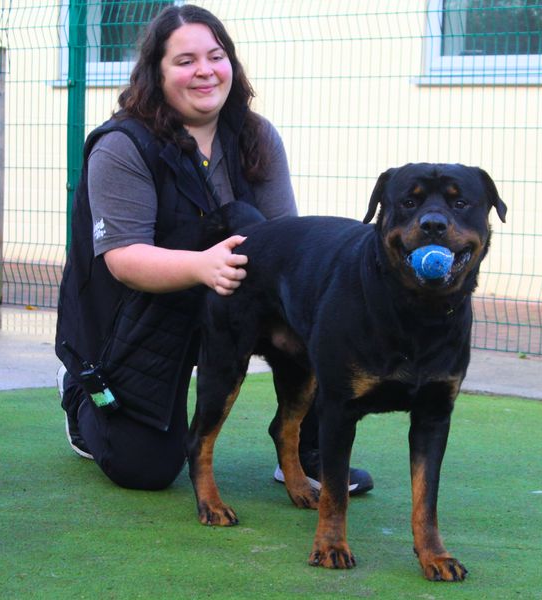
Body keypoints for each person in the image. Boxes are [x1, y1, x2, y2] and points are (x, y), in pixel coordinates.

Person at [55, 4, 373, 495]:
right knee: (146, 469)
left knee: (314, 305)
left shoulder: (255, 134)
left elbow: (284, 242)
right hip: (142, 307)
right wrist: (202, 266)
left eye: (215, 56)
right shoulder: (122, 146)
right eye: (184, 61)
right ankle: (81, 396)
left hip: (232, 295)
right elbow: (124, 259)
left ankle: (304, 447)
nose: (204, 70)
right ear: (156, 73)